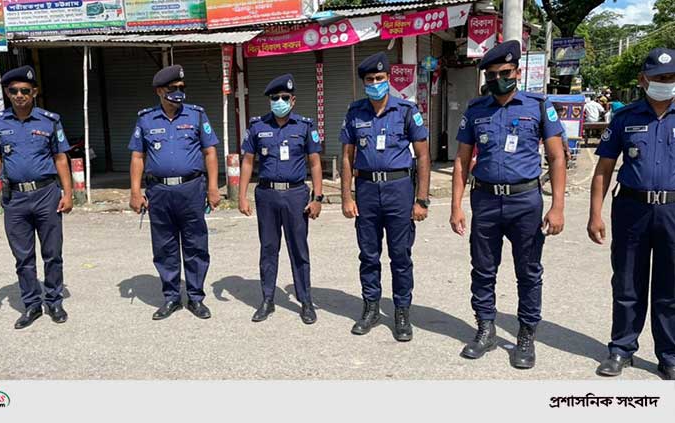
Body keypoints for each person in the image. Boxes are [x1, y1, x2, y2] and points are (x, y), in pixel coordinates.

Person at [450, 40, 566, 369]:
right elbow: (461, 161)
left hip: (525, 201)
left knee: (528, 272)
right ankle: (485, 329)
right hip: (485, 200)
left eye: (504, 72)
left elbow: (557, 158)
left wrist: (557, 206)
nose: (498, 78)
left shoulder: (539, 106)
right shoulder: (476, 110)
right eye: (492, 74)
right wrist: (456, 205)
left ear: (517, 72)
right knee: (483, 270)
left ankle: (526, 335)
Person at [588, 48, 675, 380]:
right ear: (643, 80)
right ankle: (621, 349)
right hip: (632, 208)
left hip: (673, 210)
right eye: (659, 78)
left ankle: (669, 354)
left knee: (671, 286)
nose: (666, 84)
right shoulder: (625, 118)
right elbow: (604, 168)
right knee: (627, 283)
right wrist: (595, 213)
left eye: (671, 78)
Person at [340, 52, 431, 342]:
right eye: (370, 80)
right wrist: (346, 196)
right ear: (364, 83)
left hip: (399, 190)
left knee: (400, 255)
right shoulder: (355, 112)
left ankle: (402, 312)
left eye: (380, 79)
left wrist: (421, 199)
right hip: (366, 190)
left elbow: (424, 155)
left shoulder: (406, 110)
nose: (376, 83)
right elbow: (346, 157)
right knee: (368, 255)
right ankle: (370, 308)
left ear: (388, 79)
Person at [0, 65, 74, 330]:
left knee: (52, 253)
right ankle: (32, 304)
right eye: (14, 90)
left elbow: (60, 158)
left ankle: (54, 301)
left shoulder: (49, 121)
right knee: (23, 257)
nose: (20, 95)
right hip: (15, 199)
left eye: (25, 90)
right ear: (7, 93)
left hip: (46, 194)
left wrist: (68, 193)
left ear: (34, 92)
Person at [129, 64, 221, 321]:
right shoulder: (146, 119)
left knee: (195, 244)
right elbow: (138, 156)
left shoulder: (196, 116)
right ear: (160, 91)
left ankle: (195, 297)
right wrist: (135, 192)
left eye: (182, 88)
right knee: (164, 246)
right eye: (173, 89)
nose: (179, 93)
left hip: (191, 189)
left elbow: (210, 152)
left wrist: (213, 187)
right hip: (158, 191)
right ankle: (171, 297)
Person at [237, 74, 323, 324]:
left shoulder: (305, 126)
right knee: (268, 249)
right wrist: (242, 196)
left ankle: (305, 301)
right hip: (266, 195)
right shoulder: (257, 126)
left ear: (293, 100)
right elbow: (248, 162)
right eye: (275, 98)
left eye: (285, 97)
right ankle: (267, 299)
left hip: (296, 194)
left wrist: (317, 197)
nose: (280, 102)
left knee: (299, 250)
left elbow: (315, 163)